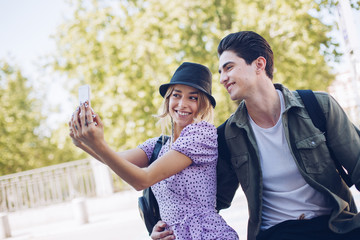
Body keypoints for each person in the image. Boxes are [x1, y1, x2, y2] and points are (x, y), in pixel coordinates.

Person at [150, 31, 360, 240]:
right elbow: (205, 202)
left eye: (229, 68)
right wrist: (169, 229)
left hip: (337, 226)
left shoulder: (317, 106)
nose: (222, 79)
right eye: (220, 72)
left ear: (259, 64)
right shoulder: (227, 135)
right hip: (276, 233)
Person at [69, 62, 239, 240]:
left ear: (203, 105)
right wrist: (82, 142)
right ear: (168, 99)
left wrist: (98, 143)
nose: (182, 104)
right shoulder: (159, 145)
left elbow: (142, 180)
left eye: (193, 98)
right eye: (176, 95)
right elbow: (114, 159)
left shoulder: (201, 134)